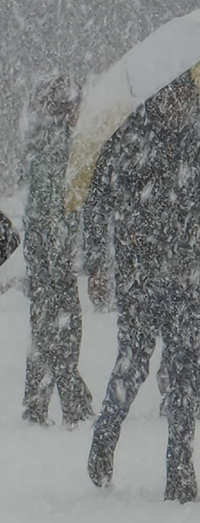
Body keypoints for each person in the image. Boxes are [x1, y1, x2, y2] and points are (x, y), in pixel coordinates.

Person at [84, 77, 200, 502]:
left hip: (186, 276)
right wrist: (97, 263)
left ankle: (180, 472)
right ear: (158, 97)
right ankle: (103, 441)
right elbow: (98, 203)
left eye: (185, 98)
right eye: (174, 97)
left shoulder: (195, 140)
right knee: (133, 365)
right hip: (141, 277)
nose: (180, 106)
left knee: (184, 373)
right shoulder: (127, 139)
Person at [21, 76, 95, 426]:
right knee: (63, 327)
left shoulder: (45, 141)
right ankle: (66, 401)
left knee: (47, 327)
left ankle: (46, 401)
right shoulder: (59, 146)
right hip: (53, 253)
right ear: (67, 109)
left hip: (45, 252)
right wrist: (61, 246)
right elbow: (55, 207)